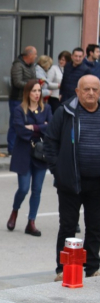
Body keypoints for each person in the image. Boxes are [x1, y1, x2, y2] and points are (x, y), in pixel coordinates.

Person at [44, 74, 100, 282]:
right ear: (77, 92)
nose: (91, 93)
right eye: (86, 89)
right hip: (71, 181)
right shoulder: (65, 112)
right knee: (68, 227)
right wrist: (58, 170)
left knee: (95, 226)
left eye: (95, 89)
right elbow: (50, 142)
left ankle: (93, 267)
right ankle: (63, 268)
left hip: (97, 183)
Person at [6, 79, 51, 236]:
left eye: (39, 91)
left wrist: (34, 127)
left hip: (40, 154)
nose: (37, 94)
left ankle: (31, 222)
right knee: (24, 188)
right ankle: (15, 210)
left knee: (37, 190)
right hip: (23, 153)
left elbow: (50, 128)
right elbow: (19, 130)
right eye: (34, 91)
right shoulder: (19, 110)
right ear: (27, 93)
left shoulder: (47, 109)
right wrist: (41, 127)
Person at [8, 46, 37, 154]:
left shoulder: (32, 66)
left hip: (29, 99)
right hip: (18, 99)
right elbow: (17, 82)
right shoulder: (17, 65)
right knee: (15, 124)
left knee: (28, 123)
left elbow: (33, 78)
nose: (36, 57)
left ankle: (24, 146)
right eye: (35, 54)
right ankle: (12, 148)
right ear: (29, 55)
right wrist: (32, 86)